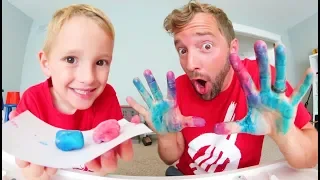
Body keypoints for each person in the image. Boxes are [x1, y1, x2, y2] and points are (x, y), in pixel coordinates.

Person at [127, 0, 318, 176]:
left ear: (232, 49)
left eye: (206, 46)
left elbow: (310, 160)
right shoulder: (177, 88)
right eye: (183, 50)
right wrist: (166, 136)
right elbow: (170, 157)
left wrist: (284, 135)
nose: (190, 64)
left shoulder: (263, 81)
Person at [9, 4, 133, 179]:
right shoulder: (33, 99)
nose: (88, 78)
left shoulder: (107, 96)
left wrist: (101, 170)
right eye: (71, 59)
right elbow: (24, 159)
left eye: (100, 62)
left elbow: (105, 159)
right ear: (46, 64)